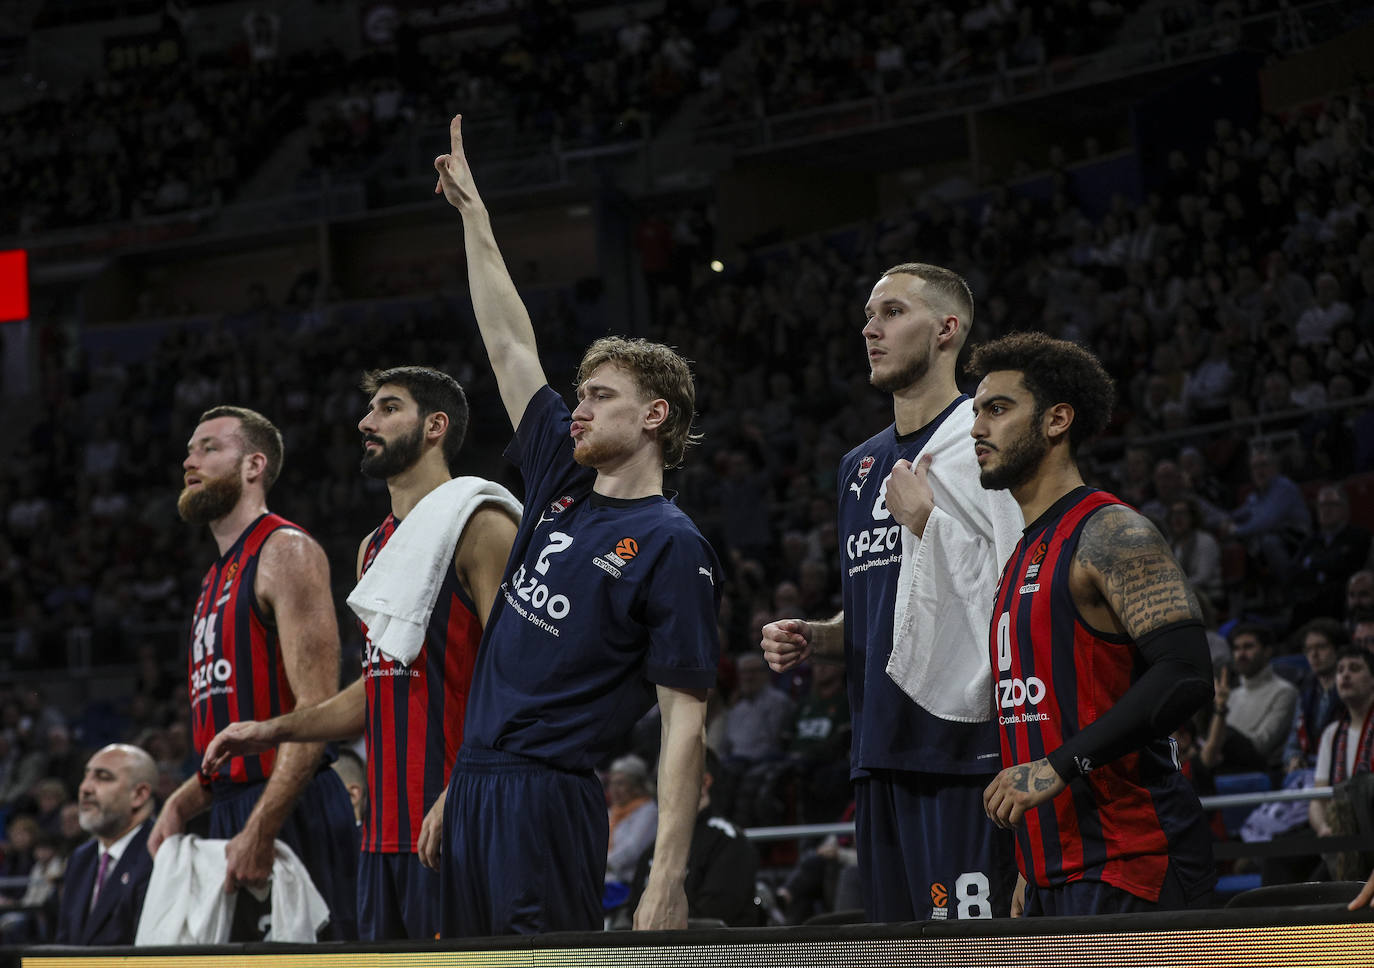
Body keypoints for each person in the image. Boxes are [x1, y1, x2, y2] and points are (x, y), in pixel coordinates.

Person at [434, 114, 720, 935]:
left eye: (600, 396)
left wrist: (666, 876)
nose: (578, 407)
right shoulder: (562, 474)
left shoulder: (673, 544)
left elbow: (685, 726)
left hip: (549, 794)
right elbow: (509, 344)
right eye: (580, 394)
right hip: (478, 779)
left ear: (656, 415)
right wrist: (476, 219)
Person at [199, 369, 519, 940]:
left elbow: (517, 678)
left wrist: (462, 788)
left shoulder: (481, 526)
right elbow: (377, 686)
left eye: (388, 408)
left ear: (434, 427)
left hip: (452, 821)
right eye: (369, 409)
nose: (365, 422)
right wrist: (271, 730)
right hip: (378, 836)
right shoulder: (373, 548)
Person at [761, 262, 1022, 922]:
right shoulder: (859, 464)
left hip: (964, 753)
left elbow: (1021, 593)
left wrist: (925, 521)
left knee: (977, 958)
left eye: (892, 313)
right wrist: (820, 637)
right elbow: (889, 599)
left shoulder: (986, 442)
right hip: (876, 749)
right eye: (869, 316)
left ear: (946, 329)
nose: (870, 328)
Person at [970, 331, 1216, 916]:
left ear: (1057, 420)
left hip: (1133, 859)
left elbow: (1185, 673)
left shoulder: (1110, 532)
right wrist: (1035, 867)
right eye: (977, 412)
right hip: (1053, 875)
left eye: (998, 409)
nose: (978, 428)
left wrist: (1059, 765)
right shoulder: (1022, 554)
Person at [148, 405, 358, 940]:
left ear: (253, 465)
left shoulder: (285, 551)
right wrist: (184, 798)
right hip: (233, 810)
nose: (189, 461)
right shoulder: (213, 578)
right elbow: (234, 736)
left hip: (292, 808)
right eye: (190, 450)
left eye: (209, 448)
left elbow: (314, 713)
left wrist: (261, 827)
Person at [627, 750, 760, 927]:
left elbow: (715, 914)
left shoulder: (728, 841)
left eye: (670, 778)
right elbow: (633, 910)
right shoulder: (656, 847)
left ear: (705, 782)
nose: (662, 789)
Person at [55, 744, 157, 945]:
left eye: (103, 777)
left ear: (139, 795)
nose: (85, 788)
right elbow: (64, 944)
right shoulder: (80, 858)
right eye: (86, 776)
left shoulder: (159, 855)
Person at [1206, 624, 1298, 773]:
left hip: (1260, 775)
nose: (1240, 654)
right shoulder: (1231, 696)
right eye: (1236, 648)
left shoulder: (1285, 692)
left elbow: (1261, 746)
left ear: (1267, 651)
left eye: (1248, 647)